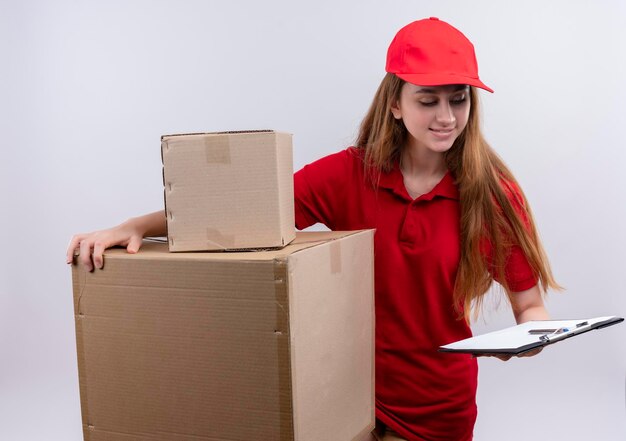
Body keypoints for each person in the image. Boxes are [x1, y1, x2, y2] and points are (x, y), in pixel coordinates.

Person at [67, 17, 559, 441]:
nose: (447, 117)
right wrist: (133, 225)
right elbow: (241, 219)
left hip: (436, 411)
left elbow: (528, 304)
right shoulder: (349, 174)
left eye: (459, 99)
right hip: (339, 400)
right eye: (428, 100)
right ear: (395, 102)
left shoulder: (490, 194)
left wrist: (530, 336)